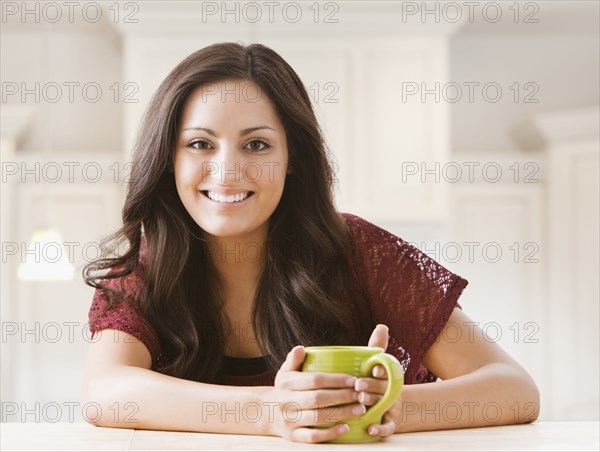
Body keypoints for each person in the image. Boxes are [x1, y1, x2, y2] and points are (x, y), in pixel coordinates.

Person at [81, 42, 540, 443]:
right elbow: (105, 392)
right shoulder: (148, 265)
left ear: (292, 159)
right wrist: (275, 412)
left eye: (256, 145)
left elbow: (513, 389)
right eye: (200, 144)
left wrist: (386, 407)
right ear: (168, 159)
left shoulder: (360, 251)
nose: (227, 171)